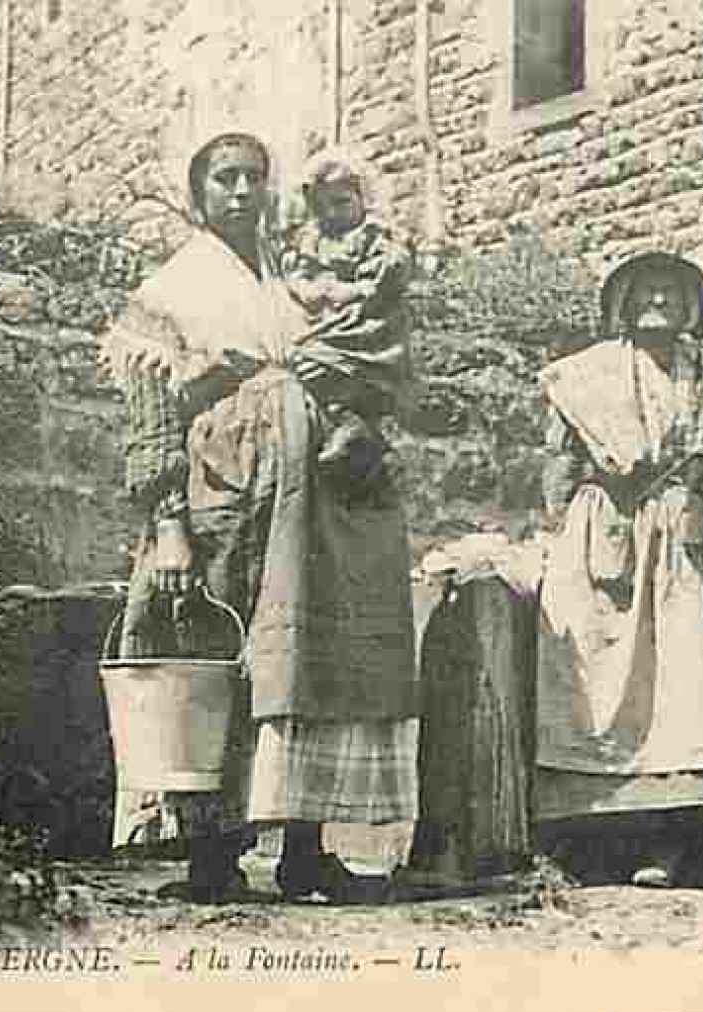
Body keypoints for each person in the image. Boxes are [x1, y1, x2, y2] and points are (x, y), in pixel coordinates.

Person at [101, 130, 419, 903]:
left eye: (254, 179)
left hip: (319, 496)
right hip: (227, 492)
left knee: (311, 655)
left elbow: (373, 353)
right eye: (224, 180)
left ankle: (305, 851)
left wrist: (361, 422)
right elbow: (148, 418)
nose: (242, 193)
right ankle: (211, 856)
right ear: (196, 194)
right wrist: (169, 522)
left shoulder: (308, 272)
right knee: (219, 653)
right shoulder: (172, 290)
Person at [533, 252, 703, 889]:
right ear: (622, 304)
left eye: (672, 293)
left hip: (688, 543)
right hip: (610, 537)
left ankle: (682, 840)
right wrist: (558, 531)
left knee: (689, 685)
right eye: (646, 291)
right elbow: (559, 462)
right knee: (604, 684)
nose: (659, 301)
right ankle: (597, 839)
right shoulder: (586, 377)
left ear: (692, 308)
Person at [280, 150, 414, 502]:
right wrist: (308, 289)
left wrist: (350, 290)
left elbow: (389, 276)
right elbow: (295, 274)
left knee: (326, 360)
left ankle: (358, 424)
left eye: (341, 202)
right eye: (323, 206)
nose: (332, 214)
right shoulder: (312, 239)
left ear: (361, 197)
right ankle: (341, 422)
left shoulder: (374, 236)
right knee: (298, 356)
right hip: (322, 315)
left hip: (366, 322)